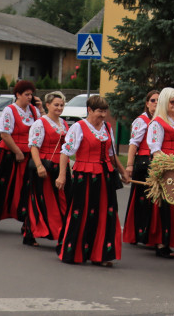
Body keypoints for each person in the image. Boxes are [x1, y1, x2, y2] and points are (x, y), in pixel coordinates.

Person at [56, 93, 129, 266]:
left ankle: (102, 255)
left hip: (104, 176)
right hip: (85, 176)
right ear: (89, 110)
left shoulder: (107, 127)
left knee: (106, 214)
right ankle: (75, 252)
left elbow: (111, 155)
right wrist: (62, 175)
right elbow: (65, 152)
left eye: (105, 111)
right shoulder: (79, 127)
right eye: (99, 111)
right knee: (81, 213)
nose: (103, 115)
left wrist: (123, 171)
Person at [145, 87, 174, 258]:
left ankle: (172, 240)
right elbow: (155, 149)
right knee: (166, 206)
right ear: (165, 103)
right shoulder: (157, 122)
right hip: (166, 167)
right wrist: (170, 164)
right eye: (172, 102)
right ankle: (161, 243)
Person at [0, 80, 39, 224]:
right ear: (18, 95)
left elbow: (40, 128)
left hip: (27, 152)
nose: (29, 97)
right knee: (0, 185)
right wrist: (17, 151)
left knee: (24, 186)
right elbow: (4, 134)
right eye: (26, 94)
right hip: (9, 152)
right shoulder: (10, 110)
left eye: (31, 94)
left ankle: (25, 217)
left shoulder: (34, 110)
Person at [22, 91, 70, 247]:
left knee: (62, 200)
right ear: (48, 105)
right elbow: (34, 146)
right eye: (56, 105)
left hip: (61, 166)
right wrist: (39, 166)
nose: (59, 108)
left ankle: (61, 232)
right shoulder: (40, 123)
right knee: (43, 201)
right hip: (45, 166)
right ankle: (32, 231)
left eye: (62, 105)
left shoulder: (64, 123)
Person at [122, 89, 159, 247]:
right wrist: (129, 165)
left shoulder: (161, 120)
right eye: (153, 100)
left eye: (158, 100)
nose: (156, 103)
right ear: (147, 103)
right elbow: (133, 144)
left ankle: (150, 236)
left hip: (156, 162)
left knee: (154, 202)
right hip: (143, 162)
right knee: (141, 200)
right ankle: (136, 233)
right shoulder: (142, 120)